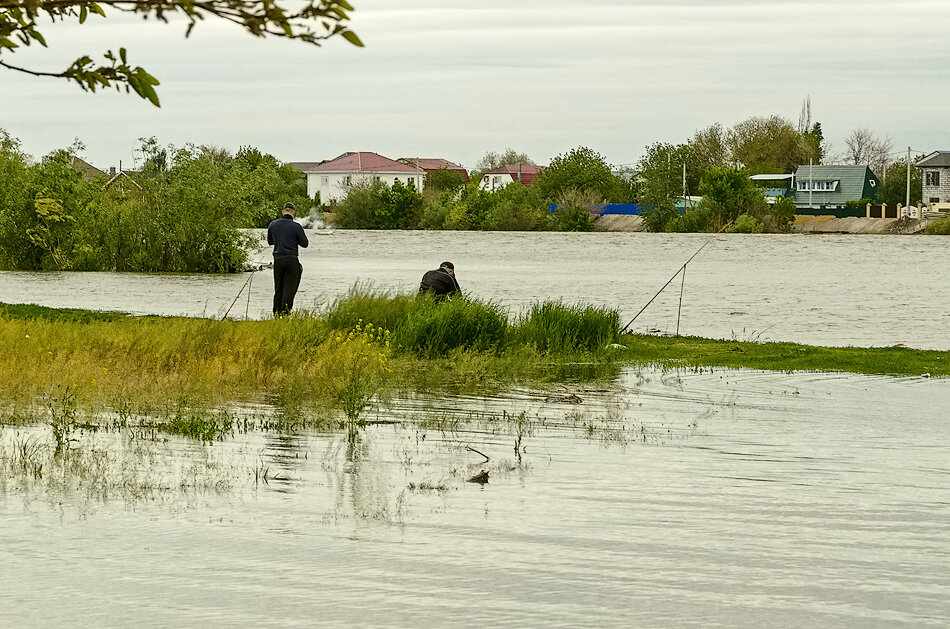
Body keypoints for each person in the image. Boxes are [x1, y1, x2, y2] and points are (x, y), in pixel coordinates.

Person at [267, 202, 309, 315]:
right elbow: (305, 244)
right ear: (293, 213)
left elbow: (270, 241)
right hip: (291, 260)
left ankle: (276, 313)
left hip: (278, 261)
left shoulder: (273, 224)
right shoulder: (296, 226)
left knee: (278, 288)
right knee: (289, 290)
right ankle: (284, 314)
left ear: (282, 212)